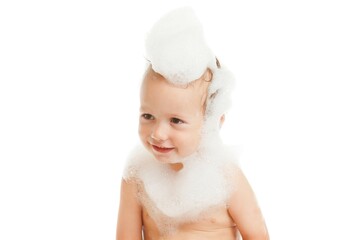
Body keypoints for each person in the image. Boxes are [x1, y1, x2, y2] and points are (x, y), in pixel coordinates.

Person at [116, 7, 269, 240]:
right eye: (148, 116)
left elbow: (257, 235)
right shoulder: (137, 175)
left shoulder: (225, 175)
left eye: (176, 120)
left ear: (211, 124)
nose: (158, 133)